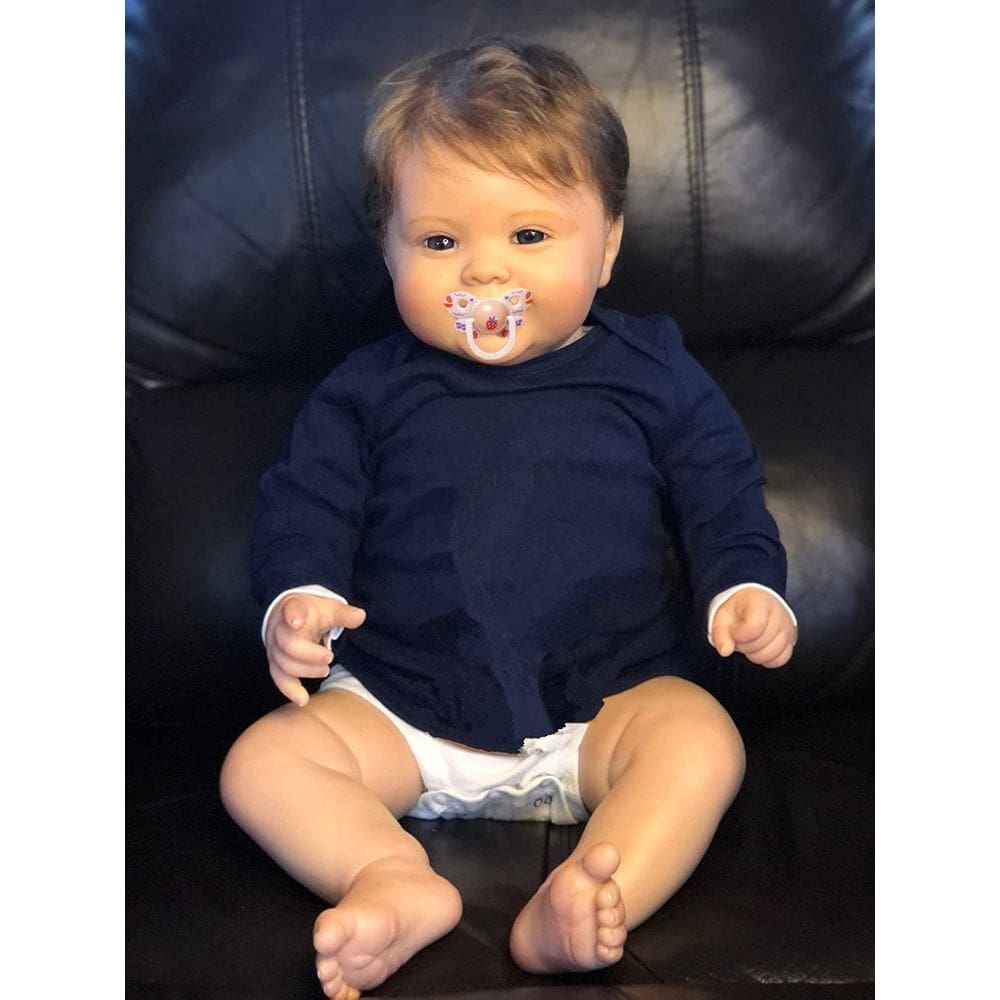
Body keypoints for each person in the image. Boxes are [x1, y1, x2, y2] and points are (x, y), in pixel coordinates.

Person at [220, 38, 797, 1000]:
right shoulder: (367, 388)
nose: (484, 274)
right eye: (439, 243)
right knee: (262, 764)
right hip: (403, 706)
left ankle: (589, 896)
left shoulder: (650, 372)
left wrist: (744, 583)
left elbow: (720, 487)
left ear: (606, 247)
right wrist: (298, 596)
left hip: (607, 701)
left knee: (702, 744)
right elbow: (306, 500)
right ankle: (389, 877)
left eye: (529, 236)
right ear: (389, 249)